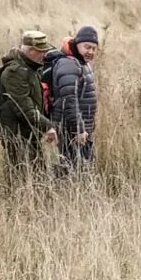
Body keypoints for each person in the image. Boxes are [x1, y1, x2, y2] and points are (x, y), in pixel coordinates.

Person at [0, 30, 58, 176]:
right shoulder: (15, 72)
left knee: (37, 173)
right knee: (20, 174)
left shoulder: (31, 68)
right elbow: (23, 107)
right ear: (30, 51)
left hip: (30, 130)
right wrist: (47, 126)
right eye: (41, 51)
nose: (44, 55)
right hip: (16, 132)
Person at [46, 25, 100, 177]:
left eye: (94, 48)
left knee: (80, 168)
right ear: (77, 44)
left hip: (81, 128)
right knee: (71, 170)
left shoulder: (82, 63)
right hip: (70, 128)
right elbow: (69, 99)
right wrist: (78, 128)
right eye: (87, 47)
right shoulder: (69, 64)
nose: (90, 51)